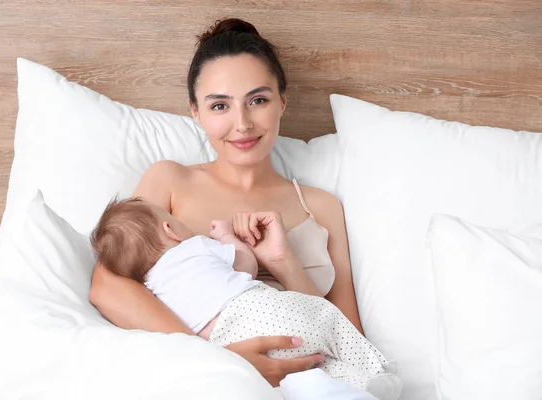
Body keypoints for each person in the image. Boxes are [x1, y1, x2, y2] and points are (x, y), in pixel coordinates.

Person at [89, 17, 364, 387]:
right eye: (220, 106)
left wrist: (283, 262)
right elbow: (107, 287)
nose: (243, 123)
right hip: (209, 381)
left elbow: (351, 340)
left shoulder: (322, 206)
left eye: (258, 100)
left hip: (316, 379)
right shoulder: (170, 180)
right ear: (195, 112)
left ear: (282, 102)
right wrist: (220, 362)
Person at [90, 197, 399, 399]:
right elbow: (245, 265)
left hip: (224, 342)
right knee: (324, 323)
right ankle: (375, 376)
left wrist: (281, 259)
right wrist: (226, 238)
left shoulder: (153, 287)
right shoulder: (195, 244)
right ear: (170, 229)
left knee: (307, 379)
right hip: (264, 317)